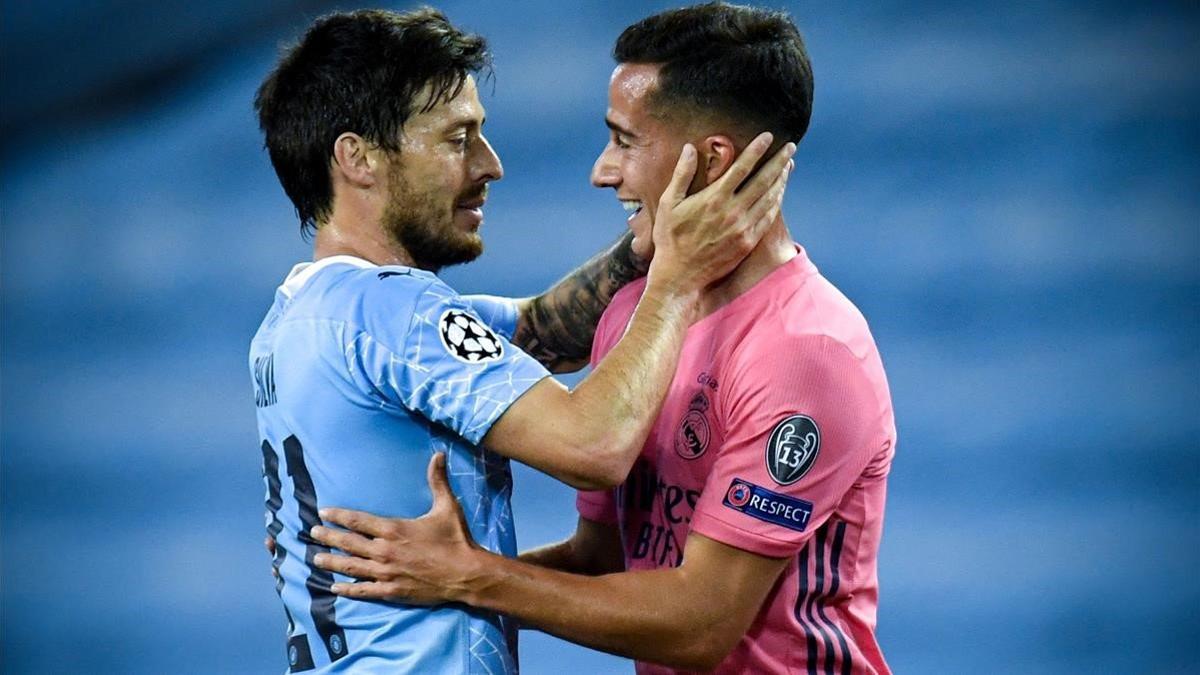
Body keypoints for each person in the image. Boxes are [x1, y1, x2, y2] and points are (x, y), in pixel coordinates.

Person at [309, 3, 897, 674]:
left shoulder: (808, 350)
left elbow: (700, 624)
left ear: (710, 161)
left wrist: (469, 576)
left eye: (623, 139)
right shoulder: (632, 318)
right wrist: (405, 572)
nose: (602, 170)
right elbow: (603, 558)